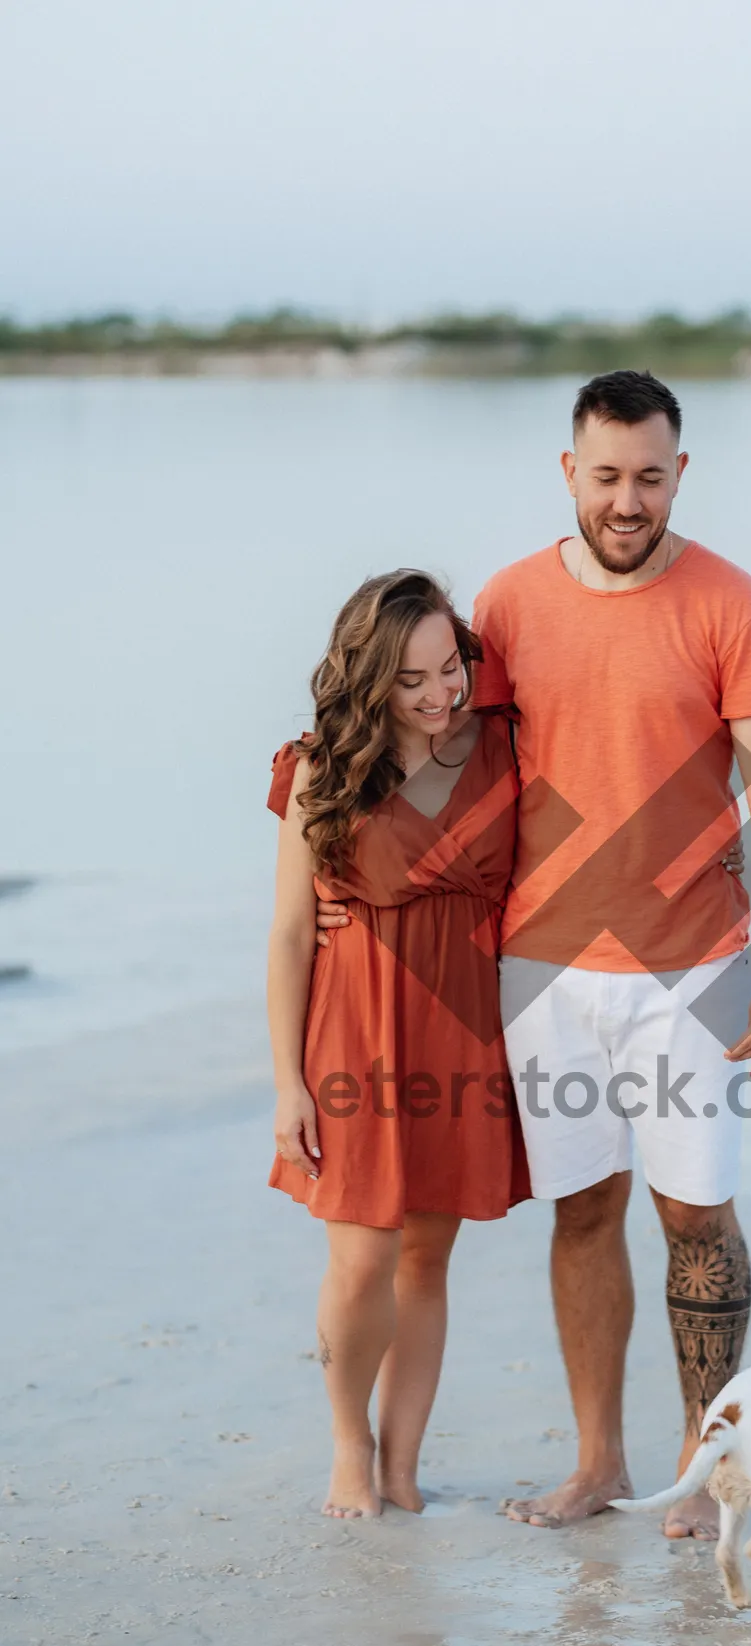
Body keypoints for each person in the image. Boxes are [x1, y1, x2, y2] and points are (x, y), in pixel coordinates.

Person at [317, 371, 751, 1539]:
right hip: (538, 964)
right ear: (569, 473)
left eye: (650, 476)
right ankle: (598, 1463)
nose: (627, 500)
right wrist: (343, 877)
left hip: (690, 963)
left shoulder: (732, 603)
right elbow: (430, 740)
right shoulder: (510, 602)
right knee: (583, 1210)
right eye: (606, 477)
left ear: (678, 473)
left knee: (697, 1213)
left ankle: (702, 1465)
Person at [267, 569, 527, 1521]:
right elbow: (292, 932)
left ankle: (404, 1461)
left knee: (426, 1259)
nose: (438, 694)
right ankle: (349, 1443)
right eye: (412, 679)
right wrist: (287, 1084)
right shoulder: (317, 770)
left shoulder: (504, 749)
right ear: (371, 679)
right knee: (361, 1259)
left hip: (462, 1027)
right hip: (355, 1027)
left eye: (451, 668)